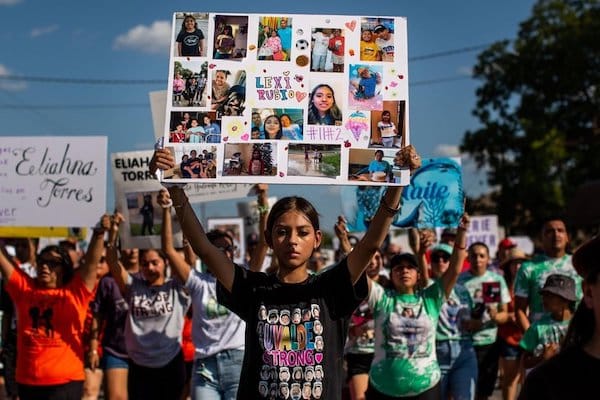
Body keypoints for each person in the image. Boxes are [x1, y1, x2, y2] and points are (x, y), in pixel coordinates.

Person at [150, 145, 422, 400]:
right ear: (268, 238)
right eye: (282, 232)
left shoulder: (332, 287)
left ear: (317, 239)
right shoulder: (253, 288)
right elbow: (206, 250)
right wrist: (175, 188)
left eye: (302, 233)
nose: (292, 240)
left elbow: (371, 243)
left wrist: (397, 181)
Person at [159, 187, 264, 400]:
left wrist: (262, 200)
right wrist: (166, 209)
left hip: (238, 361)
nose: (224, 253)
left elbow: (263, 243)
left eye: (228, 248)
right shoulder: (198, 282)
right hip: (205, 366)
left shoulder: (243, 279)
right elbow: (169, 250)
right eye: (217, 249)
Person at [0, 215, 106, 400]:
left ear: (64, 269)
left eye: (53, 263)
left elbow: (91, 262)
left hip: (65, 383)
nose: (45, 267)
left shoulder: (76, 292)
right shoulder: (24, 289)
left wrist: (99, 233)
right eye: (42, 262)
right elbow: (3, 259)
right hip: (27, 382)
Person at [366, 214, 470, 399]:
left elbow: (454, 268)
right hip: (383, 387)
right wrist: (348, 241)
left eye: (409, 267)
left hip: (426, 388)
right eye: (398, 268)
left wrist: (461, 231)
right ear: (391, 276)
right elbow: (356, 269)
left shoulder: (431, 298)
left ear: (419, 275)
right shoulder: (381, 298)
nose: (404, 270)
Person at [107, 211, 191, 400]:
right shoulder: (132, 286)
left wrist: (166, 210)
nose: (150, 268)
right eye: (145, 264)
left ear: (165, 263)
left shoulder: (177, 287)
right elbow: (112, 262)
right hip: (139, 366)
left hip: (171, 364)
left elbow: (190, 262)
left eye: (155, 262)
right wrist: (113, 231)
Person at [518, 235, 600, 399]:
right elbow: (524, 360)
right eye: (546, 295)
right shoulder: (547, 383)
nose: (547, 300)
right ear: (589, 293)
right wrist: (542, 357)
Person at [335, 216, 388, 400]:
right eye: (369, 258)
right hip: (358, 354)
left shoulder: (390, 285)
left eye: (377, 257)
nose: (372, 261)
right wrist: (343, 240)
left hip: (387, 354)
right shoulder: (350, 285)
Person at [419, 238, 478, 400]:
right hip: (437, 352)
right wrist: (420, 252)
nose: (440, 262)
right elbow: (423, 275)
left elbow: (474, 321)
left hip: (465, 350)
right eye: (435, 258)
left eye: (445, 258)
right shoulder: (429, 286)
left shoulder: (464, 290)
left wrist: (477, 322)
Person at [457, 242, 511, 400]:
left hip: (489, 344)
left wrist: (494, 316)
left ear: (488, 258)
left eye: (482, 255)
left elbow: (504, 315)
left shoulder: (496, 280)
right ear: (468, 257)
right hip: (464, 344)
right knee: (464, 391)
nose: (477, 259)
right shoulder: (459, 280)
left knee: (483, 392)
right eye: (473, 255)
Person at [88, 245, 140, 400]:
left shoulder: (150, 277)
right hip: (116, 351)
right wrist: (93, 349)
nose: (133, 250)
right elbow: (97, 316)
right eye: (128, 247)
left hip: (146, 352)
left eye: (136, 247)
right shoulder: (108, 282)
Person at [514, 218, 581, 334]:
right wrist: (532, 339)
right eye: (549, 231)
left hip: (576, 336)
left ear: (567, 237)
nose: (556, 234)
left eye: (560, 230)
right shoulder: (528, 268)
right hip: (542, 340)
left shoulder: (580, 264)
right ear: (541, 239)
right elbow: (520, 310)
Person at [519, 274, 575, 371]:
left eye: (550, 296)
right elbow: (524, 362)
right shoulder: (537, 327)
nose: (544, 299)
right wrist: (542, 358)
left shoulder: (581, 324)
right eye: (544, 295)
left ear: (566, 300)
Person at [496, 248, 528, 400]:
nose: (517, 267)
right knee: (510, 380)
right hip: (509, 338)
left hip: (529, 337)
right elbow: (495, 313)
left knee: (527, 380)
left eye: (521, 263)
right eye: (514, 264)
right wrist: (511, 316)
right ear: (508, 266)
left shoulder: (532, 284)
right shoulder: (501, 284)